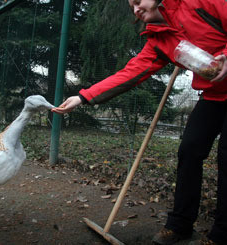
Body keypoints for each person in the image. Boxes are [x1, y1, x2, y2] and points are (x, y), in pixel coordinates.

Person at [52, 0, 227, 244]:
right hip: (215, 95)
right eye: (131, 6)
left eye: (138, 1)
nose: (135, 9)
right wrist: (83, 97)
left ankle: (221, 235)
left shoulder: (199, 2)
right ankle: (180, 226)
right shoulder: (158, 40)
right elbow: (129, 73)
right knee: (189, 151)